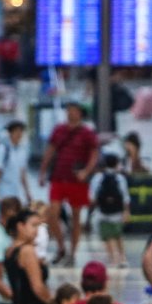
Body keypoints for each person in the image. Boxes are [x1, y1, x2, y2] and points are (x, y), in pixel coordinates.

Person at [42, 103, 100, 266]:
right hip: (58, 177)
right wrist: (43, 170)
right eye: (68, 110)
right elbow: (50, 150)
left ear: (80, 113)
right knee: (52, 213)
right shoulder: (59, 130)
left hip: (77, 180)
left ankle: (72, 253)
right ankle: (61, 246)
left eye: (73, 111)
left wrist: (86, 172)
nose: (70, 113)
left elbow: (94, 154)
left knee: (76, 217)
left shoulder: (87, 133)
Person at [0, 120, 32, 204]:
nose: (19, 134)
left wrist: (27, 193)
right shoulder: (2, 149)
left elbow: (22, 174)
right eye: (16, 131)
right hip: (4, 192)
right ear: (10, 133)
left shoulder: (22, 151)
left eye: (21, 131)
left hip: (17, 193)